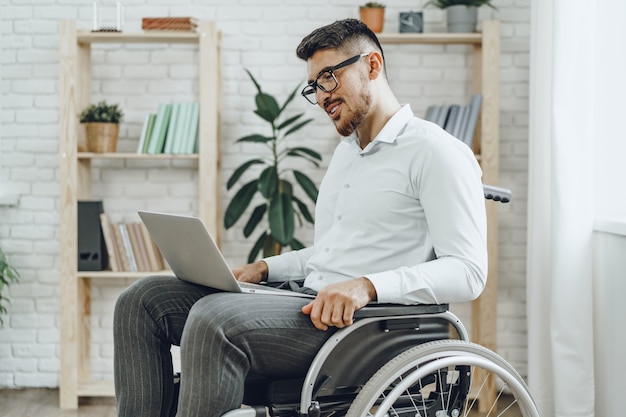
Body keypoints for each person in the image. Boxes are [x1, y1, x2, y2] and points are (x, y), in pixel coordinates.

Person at [113, 18, 487, 417]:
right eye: (314, 86)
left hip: (362, 328)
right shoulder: (348, 153)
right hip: (310, 304)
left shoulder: (436, 152)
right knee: (141, 301)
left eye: (329, 77)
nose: (322, 95)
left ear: (373, 66)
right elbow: (333, 251)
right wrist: (263, 267)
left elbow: (468, 271)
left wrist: (367, 286)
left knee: (214, 319)